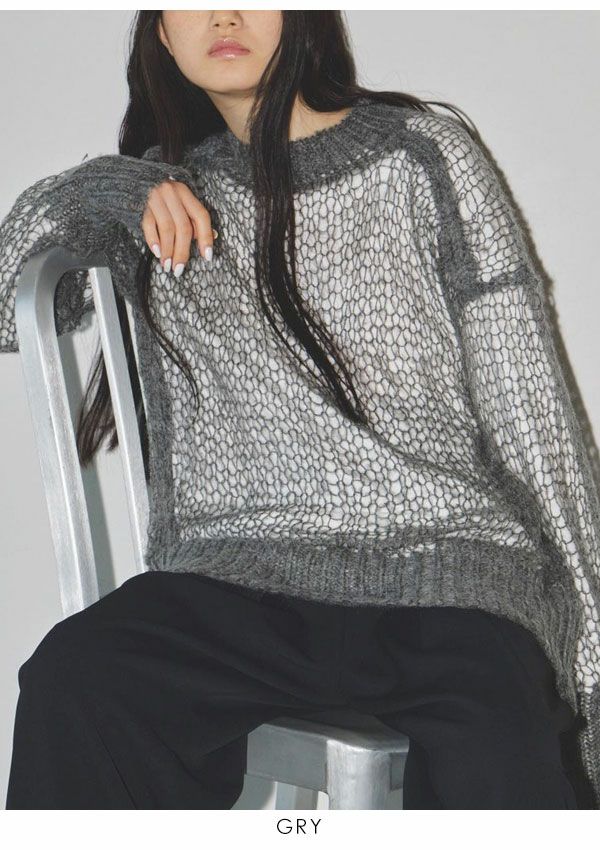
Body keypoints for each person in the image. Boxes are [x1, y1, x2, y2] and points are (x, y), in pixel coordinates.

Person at [2, 10, 598, 810]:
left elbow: (534, 421)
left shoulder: (421, 156)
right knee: (73, 679)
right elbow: (5, 307)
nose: (223, 15)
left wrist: (590, 654)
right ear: (161, 35)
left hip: (445, 582)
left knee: (499, 764)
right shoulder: (159, 197)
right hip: (236, 585)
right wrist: (114, 185)